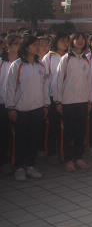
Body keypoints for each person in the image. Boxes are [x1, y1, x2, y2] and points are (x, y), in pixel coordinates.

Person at [4, 36, 49, 181]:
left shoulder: (41, 65)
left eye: (38, 44)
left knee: (33, 138)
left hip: (37, 108)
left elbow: (45, 87)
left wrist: (45, 104)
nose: (37, 47)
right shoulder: (17, 65)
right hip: (21, 110)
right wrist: (11, 107)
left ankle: (30, 165)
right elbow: (10, 87)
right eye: (34, 44)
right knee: (20, 139)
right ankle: (18, 167)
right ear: (26, 47)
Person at [55, 32, 92, 173]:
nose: (81, 41)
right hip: (68, 102)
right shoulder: (65, 59)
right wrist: (58, 101)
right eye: (77, 39)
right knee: (68, 133)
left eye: (83, 39)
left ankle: (79, 157)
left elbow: (89, 81)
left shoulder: (85, 60)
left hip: (82, 101)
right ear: (72, 41)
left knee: (80, 132)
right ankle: (68, 159)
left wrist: (89, 100)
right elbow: (58, 80)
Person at [41, 32, 69, 165]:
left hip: (68, 97)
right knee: (54, 127)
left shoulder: (69, 57)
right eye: (62, 41)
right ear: (55, 42)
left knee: (66, 128)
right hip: (53, 98)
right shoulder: (49, 58)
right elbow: (45, 80)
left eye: (67, 41)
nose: (65, 44)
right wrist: (46, 100)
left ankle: (65, 152)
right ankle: (52, 153)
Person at [0, 34, 21, 175]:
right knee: (3, 135)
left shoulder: (22, 63)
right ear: (7, 46)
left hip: (19, 105)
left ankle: (17, 162)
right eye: (16, 43)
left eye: (20, 43)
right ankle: (4, 161)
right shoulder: (2, 63)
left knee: (17, 135)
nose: (19, 46)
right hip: (3, 105)